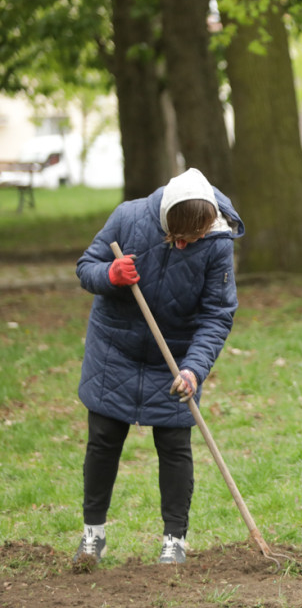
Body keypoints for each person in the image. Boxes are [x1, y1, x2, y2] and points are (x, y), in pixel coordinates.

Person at [73, 168, 244, 564]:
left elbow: (217, 314)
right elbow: (87, 267)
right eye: (178, 238)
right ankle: (92, 536)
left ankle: (174, 541)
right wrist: (110, 274)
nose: (185, 246)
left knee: (173, 443)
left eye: (194, 238)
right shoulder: (129, 217)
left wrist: (193, 370)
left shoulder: (217, 240)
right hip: (114, 346)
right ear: (166, 221)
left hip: (176, 354)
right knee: (104, 439)